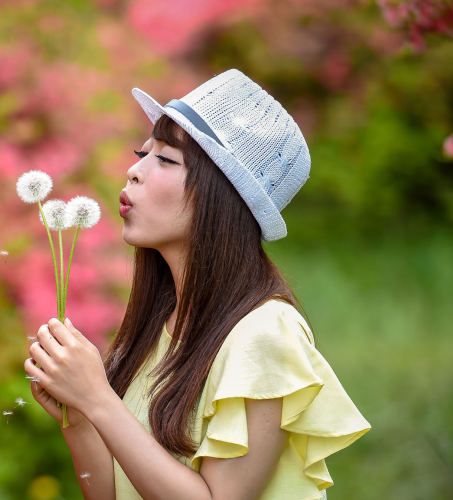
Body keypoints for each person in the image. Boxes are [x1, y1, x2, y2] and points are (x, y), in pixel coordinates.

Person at [23, 69, 371, 500]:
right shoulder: (158, 325)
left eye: (166, 159)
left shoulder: (265, 334)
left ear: (220, 196)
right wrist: (77, 416)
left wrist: (98, 399)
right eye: (142, 152)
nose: (134, 171)